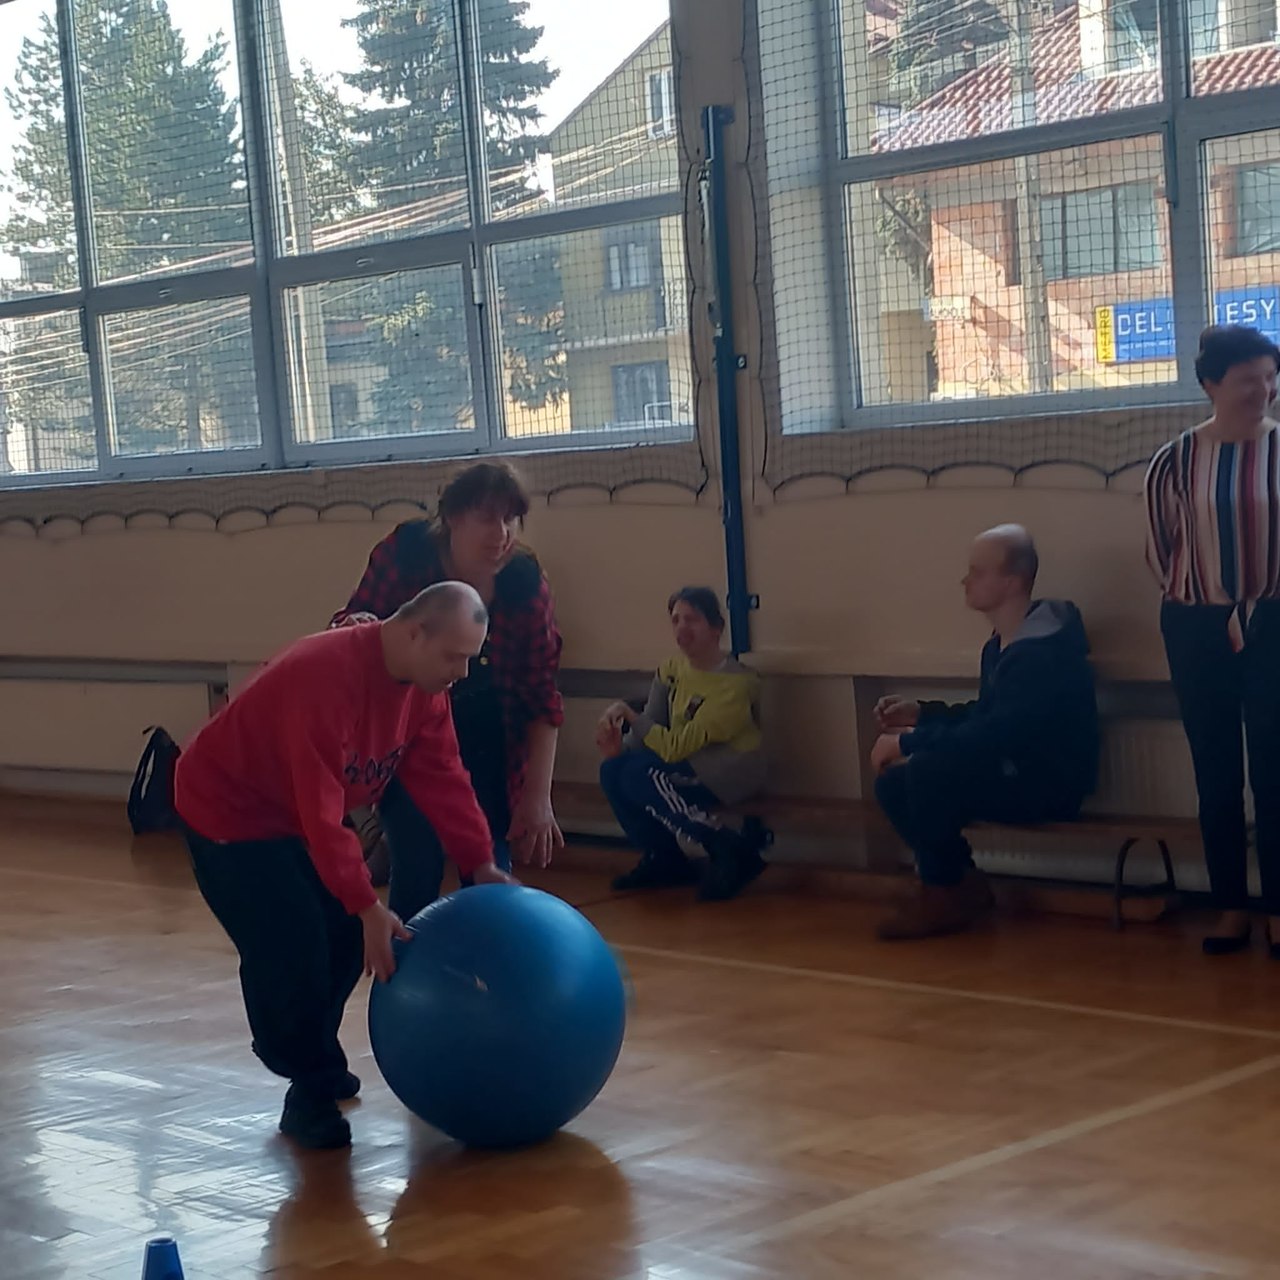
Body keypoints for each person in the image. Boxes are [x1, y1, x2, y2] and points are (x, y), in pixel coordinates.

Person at [174, 583, 515, 1150]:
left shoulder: (426, 691)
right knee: (295, 942)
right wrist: (365, 904)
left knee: (342, 940)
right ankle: (304, 1084)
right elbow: (320, 809)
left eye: (469, 660)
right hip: (226, 809)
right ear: (414, 633)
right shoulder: (324, 676)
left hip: (289, 812)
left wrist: (479, 861)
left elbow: (443, 776)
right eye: (454, 657)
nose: (461, 673)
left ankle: (312, 1057)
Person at [332, 461, 564, 921]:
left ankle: (490, 955)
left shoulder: (523, 585)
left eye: (510, 519)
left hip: (488, 732)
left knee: (488, 865)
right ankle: (407, 956)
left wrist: (537, 797)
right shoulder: (407, 555)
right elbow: (353, 630)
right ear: (453, 517)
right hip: (409, 734)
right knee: (416, 860)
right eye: (487, 518)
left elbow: (541, 697)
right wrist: (355, 628)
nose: (501, 534)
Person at [870, 525, 1099, 940]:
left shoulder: (1042, 655)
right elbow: (986, 717)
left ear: (1011, 581)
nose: (965, 581)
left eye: (977, 572)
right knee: (893, 783)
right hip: (1010, 770)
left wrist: (906, 741)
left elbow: (998, 735)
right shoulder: (1000, 646)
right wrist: (923, 714)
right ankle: (960, 881)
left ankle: (942, 891)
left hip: (1047, 784)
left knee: (925, 771)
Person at [1145, 324, 1280, 957]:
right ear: (1211, 385)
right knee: (1216, 771)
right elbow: (1161, 549)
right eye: (1249, 380)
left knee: (1275, 772)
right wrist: (1210, 595)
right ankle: (1230, 909)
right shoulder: (1174, 460)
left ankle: (1278, 911)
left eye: (1270, 378)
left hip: (1274, 622)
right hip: (1196, 625)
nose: (1264, 390)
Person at [597, 587, 770, 902]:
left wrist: (629, 714)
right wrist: (620, 749)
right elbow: (652, 723)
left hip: (726, 772)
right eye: (676, 620)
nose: (682, 628)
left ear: (716, 628)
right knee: (613, 770)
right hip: (683, 764)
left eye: (692, 619)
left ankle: (727, 846)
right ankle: (663, 858)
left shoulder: (735, 685)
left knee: (640, 774)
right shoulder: (672, 670)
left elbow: (675, 746)